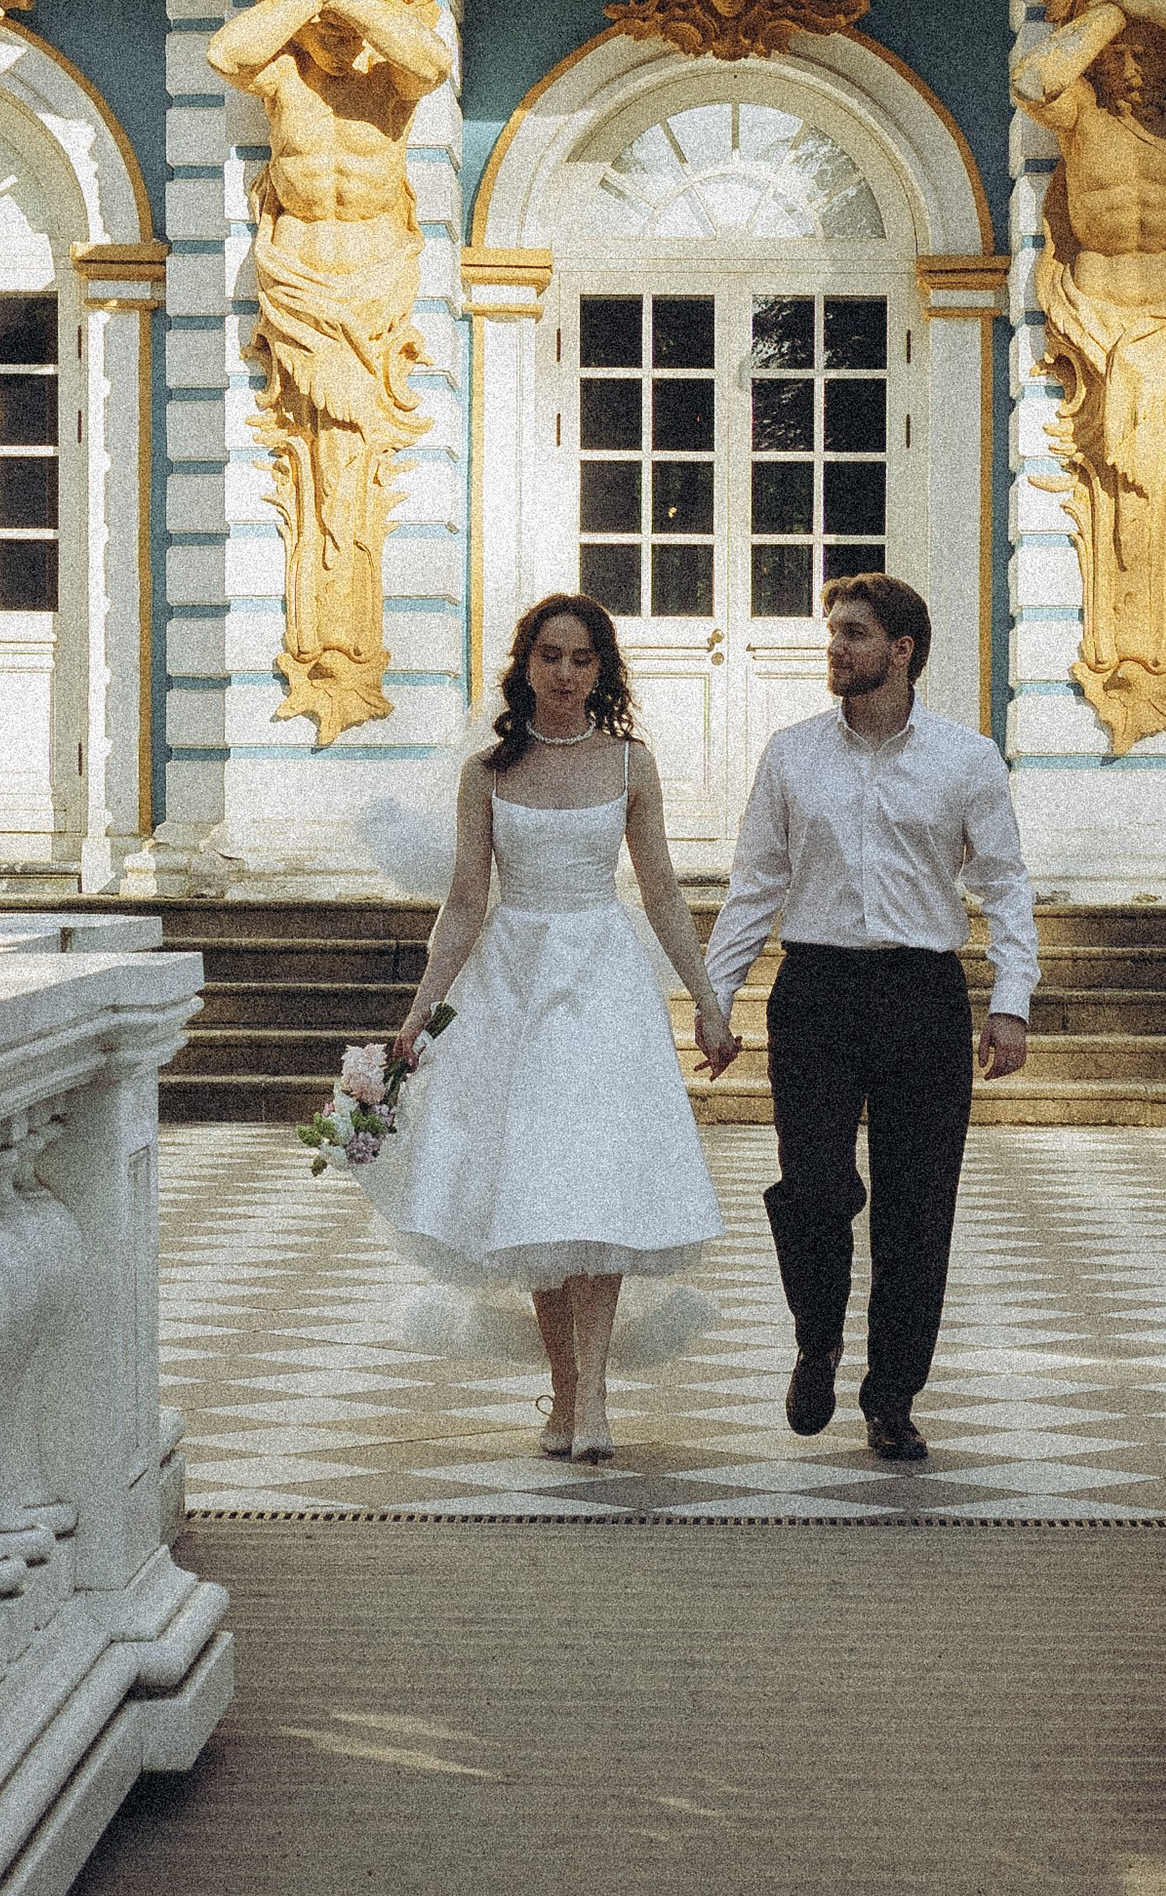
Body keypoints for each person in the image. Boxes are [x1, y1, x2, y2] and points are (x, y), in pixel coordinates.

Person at [384, 597, 742, 1466]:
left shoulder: (630, 764)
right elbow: (465, 901)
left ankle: (595, 1398)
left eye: (583, 659)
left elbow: (662, 892)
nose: (566, 674)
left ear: (602, 669)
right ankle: (568, 1388)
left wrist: (707, 999)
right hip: (513, 982)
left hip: (602, 983)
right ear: (527, 663)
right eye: (551, 656)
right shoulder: (487, 773)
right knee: (538, 1187)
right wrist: (422, 1009)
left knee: (596, 1182)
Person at [706, 575, 1037, 1465]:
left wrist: (1010, 1001)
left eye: (853, 633)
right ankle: (817, 1340)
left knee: (917, 1210)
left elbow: (1004, 885)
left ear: (902, 650)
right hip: (815, 993)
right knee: (813, 1188)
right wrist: (716, 995)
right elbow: (756, 884)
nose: (835, 648)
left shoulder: (967, 759)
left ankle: (892, 1396)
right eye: (833, 633)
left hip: (922, 994)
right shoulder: (791, 755)